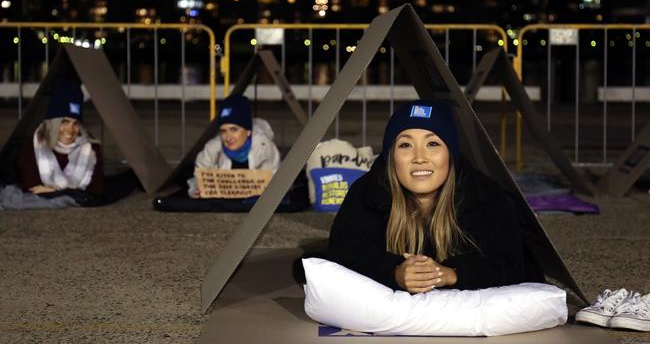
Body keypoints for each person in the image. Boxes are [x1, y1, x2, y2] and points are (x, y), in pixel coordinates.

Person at [328, 99, 543, 293]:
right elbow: (344, 251)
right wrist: (394, 272)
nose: (419, 158)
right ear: (391, 156)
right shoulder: (368, 190)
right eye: (405, 145)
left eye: (432, 144)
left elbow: (509, 263)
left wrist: (449, 274)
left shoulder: (485, 195)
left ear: (450, 153)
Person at [19, 79, 104, 196]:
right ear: (52, 123)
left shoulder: (91, 148)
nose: (70, 130)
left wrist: (54, 190)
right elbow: (32, 187)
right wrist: (71, 190)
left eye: (76, 123)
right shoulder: (35, 145)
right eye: (64, 122)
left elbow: (96, 190)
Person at [187, 94, 281, 198]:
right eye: (223, 131)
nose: (228, 137)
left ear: (248, 131)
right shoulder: (213, 148)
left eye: (234, 129)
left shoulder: (264, 147)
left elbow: (275, 182)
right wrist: (197, 189)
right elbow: (199, 176)